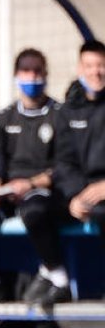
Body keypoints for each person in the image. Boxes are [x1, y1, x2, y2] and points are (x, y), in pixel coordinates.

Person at [0, 49, 69, 305]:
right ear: (16, 76)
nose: (32, 77)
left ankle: (58, 278)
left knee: (35, 210)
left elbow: (65, 166)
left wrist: (29, 183)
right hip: (8, 194)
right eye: (26, 71)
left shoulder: (58, 115)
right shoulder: (2, 119)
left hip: (42, 192)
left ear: (46, 75)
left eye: (37, 71)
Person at [56, 40, 105, 245]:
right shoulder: (67, 110)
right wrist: (75, 196)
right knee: (37, 210)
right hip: (82, 193)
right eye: (89, 66)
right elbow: (64, 161)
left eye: (101, 65)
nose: (96, 72)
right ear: (80, 69)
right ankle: (50, 272)